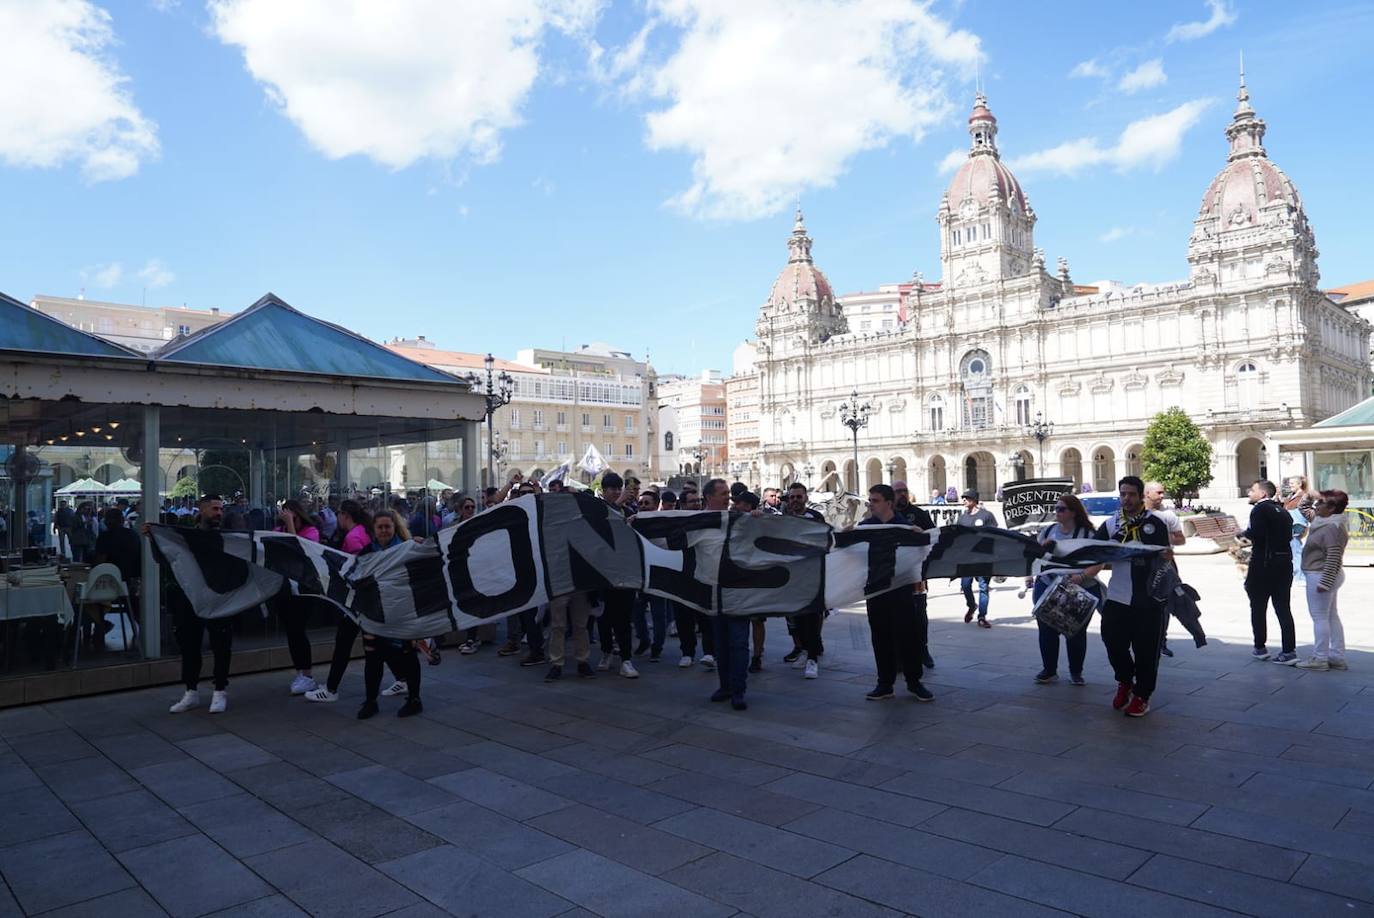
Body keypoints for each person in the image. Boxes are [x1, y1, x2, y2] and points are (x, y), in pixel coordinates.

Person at [150, 494, 235, 714]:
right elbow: (166, 557)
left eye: (221, 509)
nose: (219, 513)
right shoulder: (185, 537)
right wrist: (153, 537)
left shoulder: (227, 538)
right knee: (189, 645)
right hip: (190, 597)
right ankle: (191, 691)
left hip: (218, 598)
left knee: (221, 645)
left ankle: (220, 691)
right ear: (202, 510)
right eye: (215, 509)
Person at [1095, 476, 1171, 718]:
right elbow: (1093, 550)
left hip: (1148, 598)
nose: (1126, 499)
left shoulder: (1155, 524)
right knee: (1113, 642)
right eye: (1123, 494)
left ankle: (1142, 695)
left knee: (1146, 650)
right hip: (1117, 596)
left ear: (1141, 496)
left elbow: (1164, 554)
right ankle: (1125, 680)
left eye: (1131, 494)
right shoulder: (1111, 524)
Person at [859, 485, 933, 702]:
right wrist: (847, 536)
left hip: (902, 590)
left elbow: (927, 548)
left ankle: (914, 681)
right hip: (875, 590)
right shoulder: (866, 527)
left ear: (888, 503)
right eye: (870, 500)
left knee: (909, 635)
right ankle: (885, 683)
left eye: (875, 500)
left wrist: (922, 537)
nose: (870, 504)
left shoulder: (905, 527)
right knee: (880, 637)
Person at [305, 500, 379, 703]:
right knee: (372, 642)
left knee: (345, 643)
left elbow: (356, 570)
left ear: (345, 515)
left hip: (355, 601)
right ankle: (403, 677)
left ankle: (331, 689)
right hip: (362, 600)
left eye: (338, 514)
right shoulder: (362, 531)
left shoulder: (354, 537)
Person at [355, 510, 423, 718]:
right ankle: (370, 701)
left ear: (394, 528)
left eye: (387, 527)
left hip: (402, 614)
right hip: (375, 615)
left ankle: (414, 699)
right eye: (380, 527)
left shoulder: (407, 549)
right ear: (374, 530)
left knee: (408, 657)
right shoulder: (366, 553)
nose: (384, 531)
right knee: (373, 658)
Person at [1028, 495, 1101, 685]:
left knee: (1075, 630)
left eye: (1062, 509)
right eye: (1056, 508)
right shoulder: (1048, 531)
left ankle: (1076, 671)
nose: (1057, 512)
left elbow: (1099, 561)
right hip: (1047, 585)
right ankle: (1049, 670)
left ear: (1073, 512)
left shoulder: (1088, 535)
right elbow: (1036, 557)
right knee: (1046, 629)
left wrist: (1082, 576)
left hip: (1079, 588)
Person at [1240, 479, 1298, 664]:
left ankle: (1260, 647)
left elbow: (1255, 534)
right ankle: (1289, 651)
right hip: (1284, 563)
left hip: (1263, 564)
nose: (1249, 492)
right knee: (1283, 608)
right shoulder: (1283, 511)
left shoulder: (1259, 509)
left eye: (1253, 490)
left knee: (1258, 606)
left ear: (1263, 494)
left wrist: (1240, 536)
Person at [703, 478, 749, 709]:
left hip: (739, 592)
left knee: (739, 643)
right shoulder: (699, 522)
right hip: (714, 593)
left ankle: (738, 690)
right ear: (709, 497)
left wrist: (758, 520)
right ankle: (725, 686)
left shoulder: (739, 520)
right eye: (722, 493)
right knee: (721, 643)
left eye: (728, 493)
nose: (727, 497)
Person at [1296, 490, 1349, 671]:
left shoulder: (1330, 528)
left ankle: (1320, 658)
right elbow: (1303, 507)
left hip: (1320, 574)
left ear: (1332, 508)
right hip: (1325, 574)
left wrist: (1325, 583)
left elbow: (1333, 557)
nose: (1316, 506)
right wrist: (1310, 495)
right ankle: (1336, 655)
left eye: (1321, 503)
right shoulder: (1323, 520)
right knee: (1331, 615)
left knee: (1319, 617)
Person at [275, 500, 323, 695]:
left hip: (304, 588)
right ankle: (301, 673)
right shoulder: (278, 530)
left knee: (298, 628)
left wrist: (291, 526)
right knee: (292, 631)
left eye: (291, 514)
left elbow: (299, 552)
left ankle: (307, 674)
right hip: (284, 588)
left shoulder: (311, 531)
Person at [595, 472, 638, 678]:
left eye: (619, 489)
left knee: (623, 619)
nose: (617, 492)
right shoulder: (597, 509)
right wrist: (615, 506)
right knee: (604, 618)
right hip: (603, 575)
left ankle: (626, 659)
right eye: (613, 489)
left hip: (626, 575)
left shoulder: (629, 511)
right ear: (604, 491)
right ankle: (606, 652)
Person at [782, 482, 826, 678]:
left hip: (811, 576)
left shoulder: (815, 518)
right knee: (796, 618)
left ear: (806, 498)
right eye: (792, 497)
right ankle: (804, 650)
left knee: (811, 618)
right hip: (791, 577)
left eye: (798, 497)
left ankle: (813, 659)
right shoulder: (784, 519)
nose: (795, 501)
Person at [893, 481, 937, 670]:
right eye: (898, 491)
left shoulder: (919, 515)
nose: (902, 494)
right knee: (896, 617)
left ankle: (923, 650)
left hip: (916, 574)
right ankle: (899, 655)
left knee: (919, 614)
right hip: (893, 576)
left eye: (904, 491)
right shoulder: (887, 516)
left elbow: (933, 538)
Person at [1142, 482, 1187, 656]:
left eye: (1163, 493)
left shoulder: (1168, 515)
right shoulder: (1137, 515)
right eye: (1158, 492)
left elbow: (1181, 539)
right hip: (1143, 565)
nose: (1162, 495)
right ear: (1147, 493)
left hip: (1165, 564)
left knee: (1164, 604)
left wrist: (1164, 537)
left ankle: (1162, 640)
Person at [89, 507, 141, 650]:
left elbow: (100, 563)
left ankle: (99, 629)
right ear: (122, 520)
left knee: (90, 599)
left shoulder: (105, 537)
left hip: (110, 585)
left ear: (106, 521)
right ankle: (139, 629)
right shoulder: (133, 535)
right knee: (132, 606)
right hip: (131, 584)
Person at [632, 489, 669, 660]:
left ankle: (657, 646)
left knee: (658, 614)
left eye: (647, 503)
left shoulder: (664, 522)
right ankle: (644, 640)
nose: (643, 507)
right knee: (637, 612)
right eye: (640, 504)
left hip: (658, 576)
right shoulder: (633, 522)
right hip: (639, 576)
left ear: (656, 505)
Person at [957, 490, 998, 628]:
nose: (964, 500)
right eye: (963, 498)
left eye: (966, 498)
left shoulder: (986, 515)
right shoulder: (962, 518)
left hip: (984, 557)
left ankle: (982, 616)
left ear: (974, 500)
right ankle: (971, 605)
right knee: (965, 585)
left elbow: (995, 533)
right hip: (967, 558)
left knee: (983, 587)